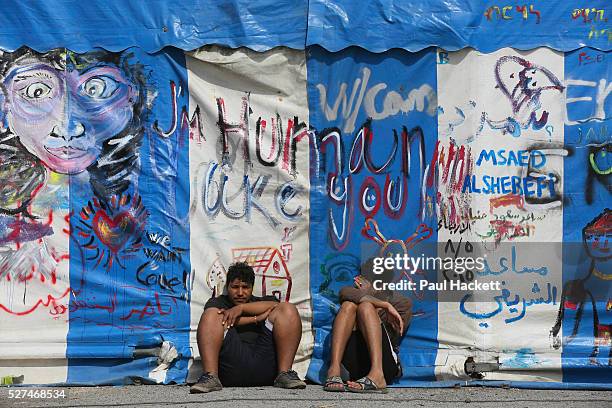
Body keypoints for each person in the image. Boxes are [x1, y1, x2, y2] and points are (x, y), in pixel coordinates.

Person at [191, 262, 307, 393]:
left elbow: (278, 307)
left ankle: (285, 374)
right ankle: (210, 376)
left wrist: (241, 308)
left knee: (288, 309)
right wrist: (256, 318)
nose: (240, 293)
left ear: (252, 288)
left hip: (265, 363)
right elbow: (213, 323)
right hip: (231, 366)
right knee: (211, 314)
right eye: (235, 287)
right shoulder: (218, 302)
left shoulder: (263, 301)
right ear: (227, 287)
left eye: (245, 287)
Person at [324, 258, 412, 393]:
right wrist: (383, 304)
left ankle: (377, 375)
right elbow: (344, 293)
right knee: (348, 305)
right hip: (353, 362)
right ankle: (334, 368)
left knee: (365, 307)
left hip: (383, 363)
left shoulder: (401, 303)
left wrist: (372, 301)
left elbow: (394, 336)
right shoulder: (351, 293)